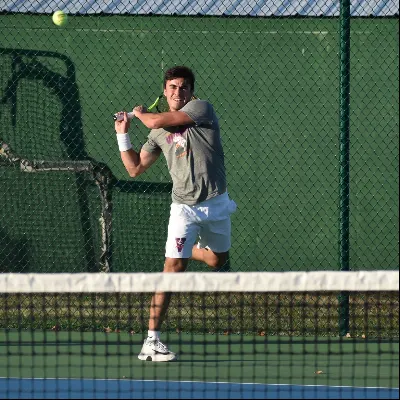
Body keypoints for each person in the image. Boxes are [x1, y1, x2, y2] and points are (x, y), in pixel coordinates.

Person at [114, 66, 236, 362]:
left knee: (217, 260)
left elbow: (156, 119)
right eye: (172, 87)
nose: (177, 92)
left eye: (183, 87)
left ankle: (191, 250)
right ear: (164, 91)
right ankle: (151, 341)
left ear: (191, 91)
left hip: (217, 203)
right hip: (183, 208)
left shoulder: (201, 109)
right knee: (172, 269)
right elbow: (134, 168)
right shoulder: (156, 133)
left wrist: (139, 114)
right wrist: (123, 136)